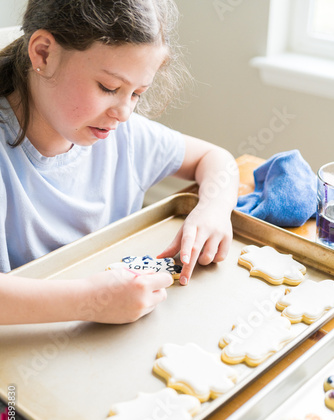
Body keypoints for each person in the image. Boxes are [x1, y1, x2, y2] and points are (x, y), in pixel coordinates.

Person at [0, 0, 239, 325]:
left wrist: (213, 209)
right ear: (43, 53)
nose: (124, 113)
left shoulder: (123, 135)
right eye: (108, 87)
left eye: (137, 93)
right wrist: (90, 302)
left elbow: (216, 159)